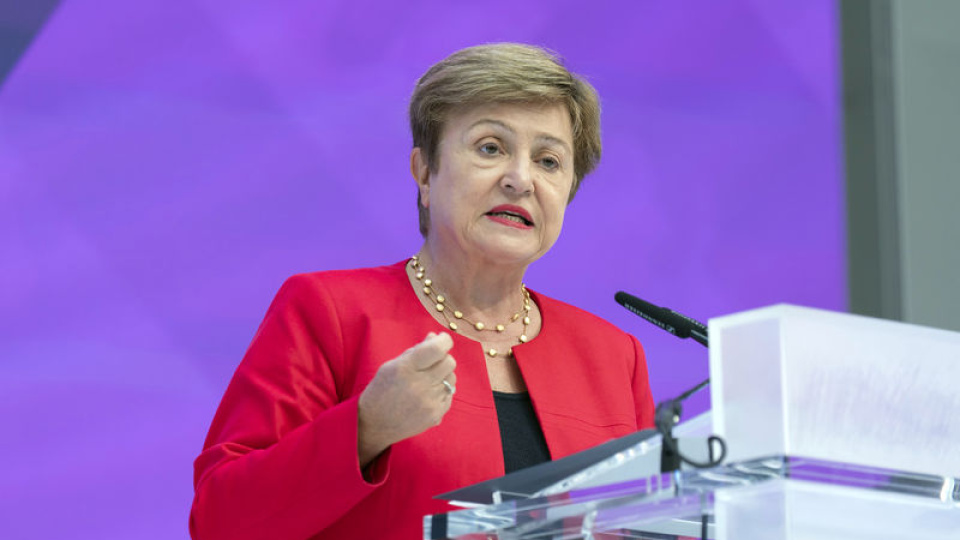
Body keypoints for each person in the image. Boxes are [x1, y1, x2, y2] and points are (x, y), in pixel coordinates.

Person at [189, 43, 655, 540]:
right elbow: (221, 521)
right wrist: (365, 428)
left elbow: (659, 522)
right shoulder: (330, 313)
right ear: (425, 172)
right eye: (490, 148)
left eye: (548, 161)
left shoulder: (614, 356)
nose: (521, 180)